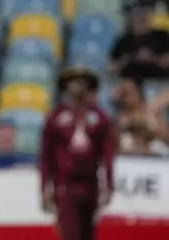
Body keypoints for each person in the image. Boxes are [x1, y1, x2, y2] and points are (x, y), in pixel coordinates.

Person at [40, 67, 115, 240]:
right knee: (70, 233)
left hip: (90, 184)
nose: (78, 87)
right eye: (73, 82)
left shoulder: (99, 117)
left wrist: (108, 184)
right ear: (66, 87)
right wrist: (44, 188)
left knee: (87, 233)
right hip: (65, 184)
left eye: (82, 82)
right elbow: (46, 156)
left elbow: (107, 154)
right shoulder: (55, 118)